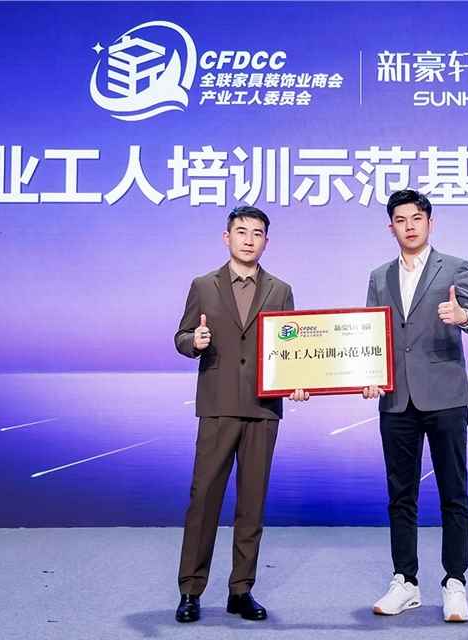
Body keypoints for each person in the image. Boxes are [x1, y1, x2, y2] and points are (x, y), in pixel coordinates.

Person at [173, 205, 309, 624]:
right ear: (226, 237)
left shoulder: (281, 289)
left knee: (252, 503)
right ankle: (191, 590)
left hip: (263, 408)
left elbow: (291, 348)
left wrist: (298, 381)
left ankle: (241, 590)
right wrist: (193, 341)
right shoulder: (203, 285)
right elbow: (181, 336)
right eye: (242, 231)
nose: (249, 239)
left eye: (257, 233)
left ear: (266, 241)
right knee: (203, 500)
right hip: (217, 406)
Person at [362, 189, 468, 623]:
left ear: (430, 223)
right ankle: (405, 581)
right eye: (401, 220)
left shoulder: (454, 267)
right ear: (391, 227)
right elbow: (370, 335)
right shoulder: (379, 276)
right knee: (401, 494)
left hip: (445, 396)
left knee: (454, 492)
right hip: (396, 398)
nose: (410, 226)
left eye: (417, 218)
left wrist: (464, 317)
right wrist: (368, 375)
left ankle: (455, 582)